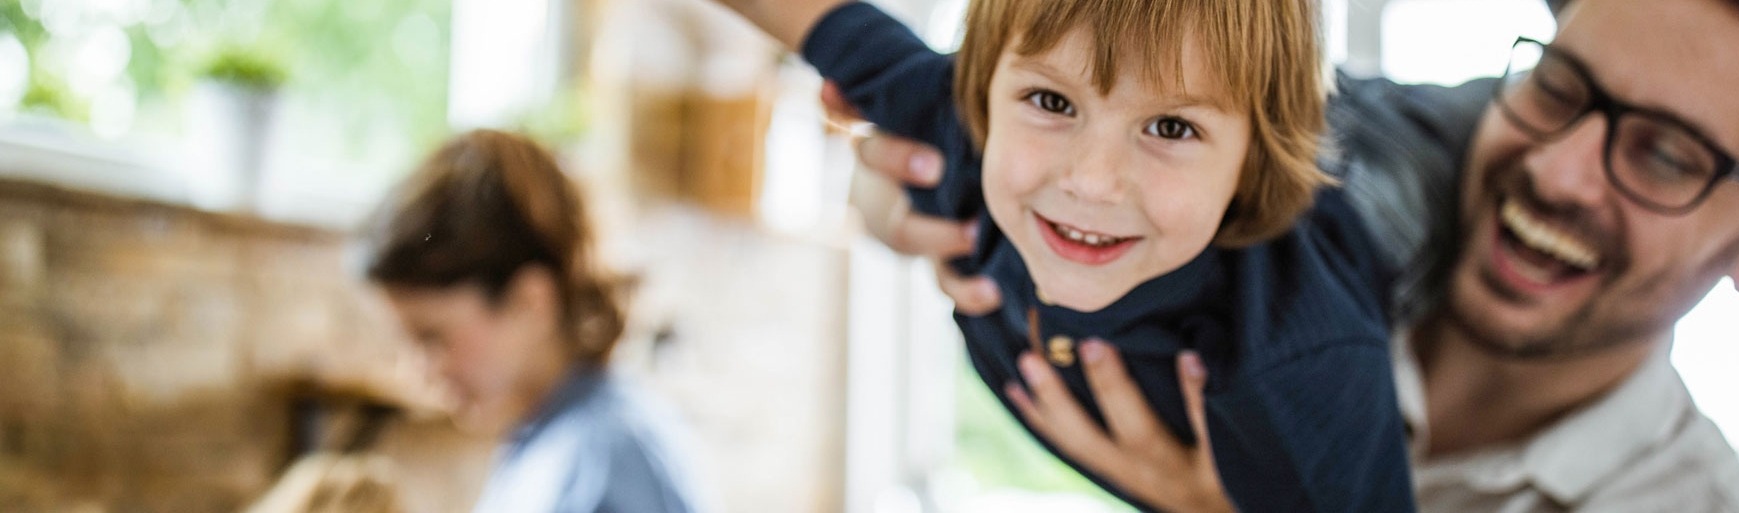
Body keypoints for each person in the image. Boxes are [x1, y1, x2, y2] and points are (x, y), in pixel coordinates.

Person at [847, 0, 1739, 510]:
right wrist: (914, 171)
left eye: (1666, 156)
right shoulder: (1369, 172)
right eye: (1559, 87)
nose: (1559, 171)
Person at [716, 0, 1412, 511]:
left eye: (1171, 127)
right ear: (980, 90)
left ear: (1249, 161)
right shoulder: (951, 128)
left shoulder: (1300, 367)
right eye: (1052, 100)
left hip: (1393, 175)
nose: (1091, 181)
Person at [362, 130, 704, 513]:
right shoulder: (546, 440)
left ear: (530, 302)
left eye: (432, 338)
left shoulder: (605, 463)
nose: (419, 371)